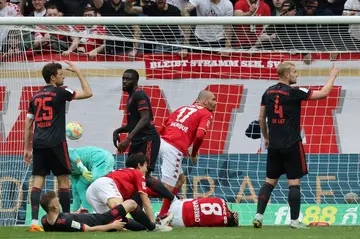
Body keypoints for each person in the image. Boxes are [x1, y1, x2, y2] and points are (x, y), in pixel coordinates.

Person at [253, 62, 340, 229]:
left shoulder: (267, 92)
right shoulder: (294, 92)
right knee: (294, 183)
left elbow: (260, 118)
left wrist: (266, 137)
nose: (296, 75)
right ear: (286, 75)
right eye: (294, 72)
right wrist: (332, 76)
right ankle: (294, 221)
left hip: (274, 145)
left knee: (269, 182)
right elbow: (324, 93)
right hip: (292, 144)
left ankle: (258, 215)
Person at [24, 61, 93, 232]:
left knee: (37, 182)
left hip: (39, 144)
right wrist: (78, 71)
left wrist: (27, 148)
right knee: (63, 179)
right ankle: (67, 219)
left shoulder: (34, 97)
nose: (64, 77)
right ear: (53, 77)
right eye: (61, 75)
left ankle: (33, 222)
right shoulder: (61, 92)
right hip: (56, 143)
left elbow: (28, 124)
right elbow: (88, 93)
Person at [112, 69, 175, 202]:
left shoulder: (139, 94)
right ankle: (137, 210)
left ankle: (174, 200)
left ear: (135, 81)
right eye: (123, 78)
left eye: (127, 79)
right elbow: (132, 124)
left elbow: (145, 118)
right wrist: (117, 131)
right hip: (137, 140)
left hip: (148, 139)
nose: (124, 81)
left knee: (143, 177)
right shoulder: (130, 96)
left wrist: (128, 138)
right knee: (132, 175)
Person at [157, 90, 216, 217]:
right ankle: (141, 195)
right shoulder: (206, 113)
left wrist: (159, 142)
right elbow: (199, 136)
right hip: (173, 149)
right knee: (167, 187)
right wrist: (194, 153)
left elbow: (164, 124)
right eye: (213, 99)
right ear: (205, 101)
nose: (215, 103)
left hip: (161, 142)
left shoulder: (183, 108)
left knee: (180, 179)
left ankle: (163, 213)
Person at [86, 153, 173, 232]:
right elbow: (145, 201)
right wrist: (153, 225)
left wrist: (170, 197)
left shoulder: (126, 175)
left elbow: (151, 193)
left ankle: (82, 222)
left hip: (91, 190)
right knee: (118, 212)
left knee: (110, 222)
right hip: (106, 184)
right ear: (139, 165)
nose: (146, 170)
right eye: (146, 166)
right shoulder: (138, 174)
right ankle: (154, 227)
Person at [69, 146, 115, 212]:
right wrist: (74, 213)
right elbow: (75, 191)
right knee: (80, 186)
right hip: (94, 166)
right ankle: (88, 212)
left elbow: (71, 151)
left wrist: (82, 168)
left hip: (101, 158)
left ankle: (114, 212)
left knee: (98, 185)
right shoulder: (69, 173)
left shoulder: (62, 153)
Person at [167, 197, 238, 227]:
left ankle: (162, 214)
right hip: (179, 222)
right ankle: (164, 220)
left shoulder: (221, 200)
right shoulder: (222, 223)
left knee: (194, 200)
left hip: (176, 205)